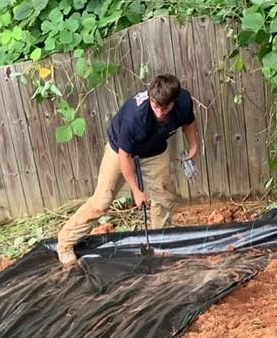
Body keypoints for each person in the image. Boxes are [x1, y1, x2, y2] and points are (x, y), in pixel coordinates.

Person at [55, 74, 199, 267]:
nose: (159, 113)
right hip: (119, 151)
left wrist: (193, 145)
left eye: (164, 108)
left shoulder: (183, 101)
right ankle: (64, 243)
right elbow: (125, 157)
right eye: (155, 106)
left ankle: (159, 241)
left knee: (164, 197)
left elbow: (188, 121)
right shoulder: (136, 116)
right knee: (101, 202)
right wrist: (136, 191)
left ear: (174, 100)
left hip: (155, 150)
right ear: (150, 98)